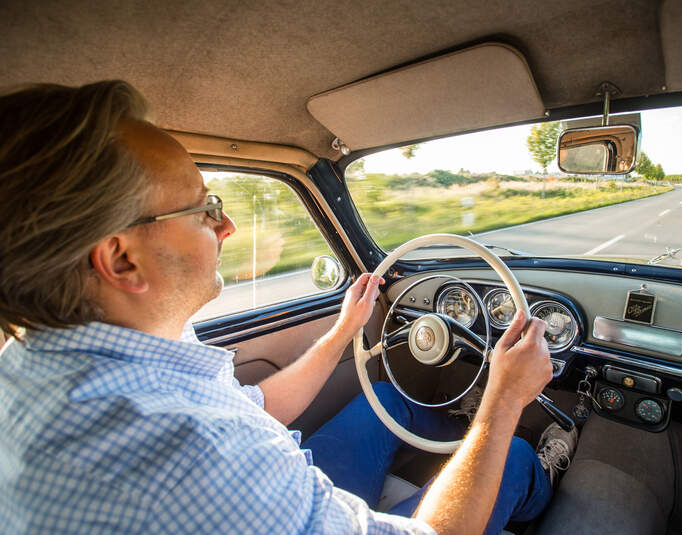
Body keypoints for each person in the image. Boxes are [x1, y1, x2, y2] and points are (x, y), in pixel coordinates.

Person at [0, 81, 575, 534]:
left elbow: (254, 409)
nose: (225, 225)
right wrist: (503, 401)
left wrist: (346, 327)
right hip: (270, 492)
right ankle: (541, 489)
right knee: (516, 456)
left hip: (284, 481)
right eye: (203, 209)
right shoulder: (191, 461)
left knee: (395, 399)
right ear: (121, 261)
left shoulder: (43, 360)